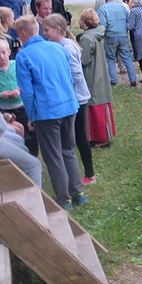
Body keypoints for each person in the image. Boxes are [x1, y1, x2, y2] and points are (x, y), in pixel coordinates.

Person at [14, 15, 86, 209]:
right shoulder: (58, 47)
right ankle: (78, 191)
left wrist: (31, 116)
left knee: (53, 154)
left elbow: (27, 92)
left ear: (22, 33)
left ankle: (64, 198)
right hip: (69, 106)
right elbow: (69, 77)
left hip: (47, 111)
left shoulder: (23, 56)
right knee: (68, 151)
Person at [42, 14, 95, 184]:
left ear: (58, 30)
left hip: (77, 99)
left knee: (79, 137)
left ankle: (89, 174)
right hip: (72, 98)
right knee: (75, 137)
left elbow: (77, 75)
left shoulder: (67, 47)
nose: (44, 33)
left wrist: (64, 89)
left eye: (46, 30)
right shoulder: (62, 45)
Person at [0, 38, 37, 155]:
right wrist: (0, 94)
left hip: (21, 105)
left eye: (3, 53)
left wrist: (18, 90)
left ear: (9, 52)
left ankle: (32, 155)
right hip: (5, 108)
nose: (1, 56)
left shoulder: (16, 65)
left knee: (30, 132)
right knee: (13, 133)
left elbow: (25, 81)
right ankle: (17, 154)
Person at [76, 9, 115, 150]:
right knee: (99, 104)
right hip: (100, 73)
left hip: (92, 75)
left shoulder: (86, 38)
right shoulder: (96, 33)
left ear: (84, 21)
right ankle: (99, 135)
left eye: (80, 19)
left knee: (95, 107)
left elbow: (84, 60)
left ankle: (101, 137)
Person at [98, 0, 136, 86]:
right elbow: (128, 20)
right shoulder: (122, 7)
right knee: (127, 57)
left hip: (110, 36)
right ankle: (133, 79)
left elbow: (103, 24)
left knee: (110, 58)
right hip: (123, 35)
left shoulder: (103, 9)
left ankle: (113, 79)